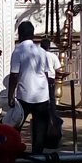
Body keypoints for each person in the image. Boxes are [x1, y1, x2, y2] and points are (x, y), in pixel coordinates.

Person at [8, 21, 51, 154]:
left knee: (16, 124)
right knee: (40, 127)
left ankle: (15, 150)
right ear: (32, 34)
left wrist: (10, 95)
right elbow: (46, 73)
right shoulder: (41, 51)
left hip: (25, 94)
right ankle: (37, 155)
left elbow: (14, 75)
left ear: (19, 34)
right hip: (42, 94)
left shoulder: (18, 51)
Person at [40, 38, 62, 110]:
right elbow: (58, 69)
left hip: (40, 78)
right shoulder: (53, 56)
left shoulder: (38, 56)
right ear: (49, 46)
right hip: (50, 78)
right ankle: (52, 112)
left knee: (41, 97)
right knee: (51, 97)